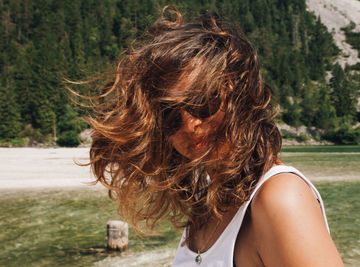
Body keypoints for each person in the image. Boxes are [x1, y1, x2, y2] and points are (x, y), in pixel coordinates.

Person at [88, 5, 344, 266]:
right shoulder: (207, 203)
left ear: (239, 96)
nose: (189, 124)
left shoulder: (280, 198)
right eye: (169, 113)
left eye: (202, 101)